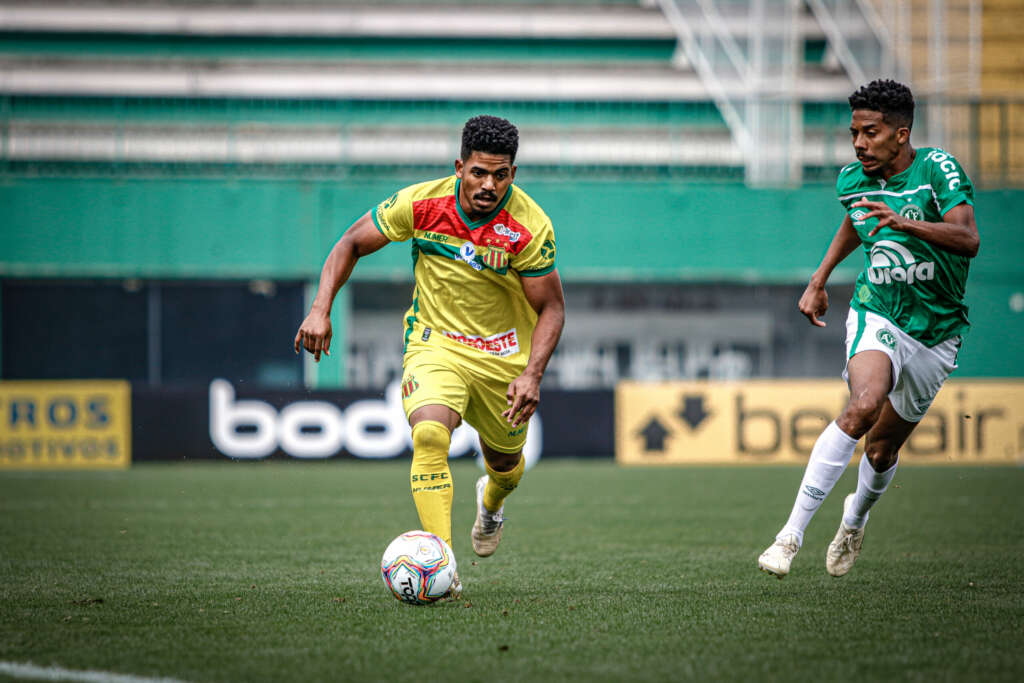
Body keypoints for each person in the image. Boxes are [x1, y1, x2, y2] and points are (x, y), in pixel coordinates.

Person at [295, 115, 565, 598]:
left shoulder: (528, 226)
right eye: (479, 172)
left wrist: (532, 374)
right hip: (434, 343)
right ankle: (442, 562)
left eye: (500, 175)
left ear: (513, 175)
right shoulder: (421, 204)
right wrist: (320, 309)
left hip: (503, 358)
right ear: (459, 166)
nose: (489, 185)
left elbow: (552, 307)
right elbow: (351, 243)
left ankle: (492, 504)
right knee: (429, 434)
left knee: (505, 465)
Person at [758, 79, 980, 579]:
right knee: (862, 405)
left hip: (936, 329)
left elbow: (967, 239)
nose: (859, 143)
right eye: (854, 132)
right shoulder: (852, 179)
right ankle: (788, 537)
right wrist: (819, 279)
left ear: (901, 135)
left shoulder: (937, 169)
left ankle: (854, 520)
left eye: (871, 132)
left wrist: (905, 223)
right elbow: (855, 221)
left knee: (882, 450)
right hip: (877, 309)